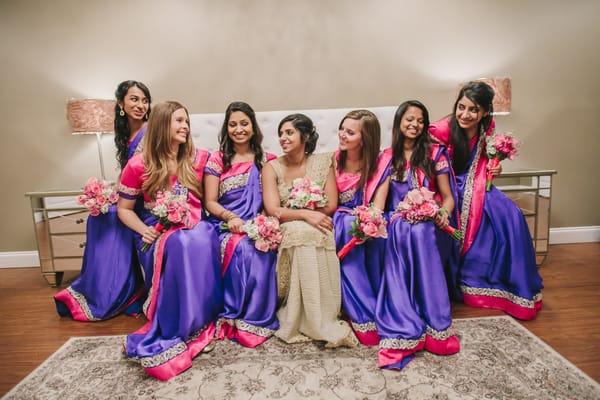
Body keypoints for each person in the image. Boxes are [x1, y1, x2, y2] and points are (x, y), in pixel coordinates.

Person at [117, 101, 223, 380]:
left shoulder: (200, 159)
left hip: (198, 224)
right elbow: (124, 210)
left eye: (186, 121)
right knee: (177, 244)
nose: (185, 126)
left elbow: (212, 200)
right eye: (178, 121)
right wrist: (144, 230)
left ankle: (198, 318)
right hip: (158, 228)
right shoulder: (138, 165)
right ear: (163, 125)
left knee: (191, 241)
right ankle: (178, 322)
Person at [429, 81, 543, 320]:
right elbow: (429, 165)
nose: (465, 114)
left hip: (477, 182)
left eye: (473, 110)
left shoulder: (488, 127)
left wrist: (494, 166)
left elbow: (481, 160)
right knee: (480, 210)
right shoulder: (441, 129)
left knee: (509, 213)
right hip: (446, 184)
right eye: (461, 107)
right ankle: (468, 278)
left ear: (484, 112)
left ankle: (505, 283)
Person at [54, 80, 151, 321]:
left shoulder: (149, 131)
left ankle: (123, 291)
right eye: (134, 99)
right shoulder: (124, 133)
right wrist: (107, 191)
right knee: (98, 215)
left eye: (144, 100)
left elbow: (147, 174)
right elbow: (128, 173)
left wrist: (122, 195)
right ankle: (103, 287)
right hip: (131, 195)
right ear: (121, 103)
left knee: (109, 217)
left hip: (145, 198)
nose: (140, 105)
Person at [376, 100, 461, 369]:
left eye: (420, 120)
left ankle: (434, 318)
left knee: (421, 230)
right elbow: (380, 202)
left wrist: (442, 213)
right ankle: (406, 312)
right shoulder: (388, 156)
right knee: (403, 228)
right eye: (409, 119)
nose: (414, 124)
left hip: (429, 219)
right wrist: (373, 219)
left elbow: (447, 197)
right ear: (399, 122)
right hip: (397, 219)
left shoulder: (436, 153)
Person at [262, 113, 357, 347]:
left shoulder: (323, 162)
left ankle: (321, 316)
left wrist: (315, 214)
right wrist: (305, 213)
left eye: (289, 132)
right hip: (288, 222)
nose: (283, 138)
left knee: (317, 233)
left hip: (320, 220)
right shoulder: (271, 167)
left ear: (304, 136)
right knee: (301, 233)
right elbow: (273, 209)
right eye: (281, 134)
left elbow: (331, 204)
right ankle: (297, 316)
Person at [204, 101, 278, 348]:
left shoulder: (267, 160)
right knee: (243, 249)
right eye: (233, 124)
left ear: (253, 127)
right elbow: (210, 202)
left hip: (257, 224)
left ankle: (256, 316)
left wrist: (268, 224)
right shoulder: (217, 160)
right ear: (226, 128)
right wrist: (230, 218)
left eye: (244, 124)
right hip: (226, 224)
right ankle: (236, 311)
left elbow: (272, 201)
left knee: (264, 247)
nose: (239, 129)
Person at [332, 110, 391, 346]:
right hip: (338, 218)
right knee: (348, 226)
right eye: (342, 129)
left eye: (350, 132)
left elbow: (378, 207)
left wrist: (368, 223)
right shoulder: (332, 161)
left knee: (379, 235)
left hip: (368, 220)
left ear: (364, 139)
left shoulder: (379, 167)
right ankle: (362, 311)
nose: (342, 135)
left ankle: (378, 302)